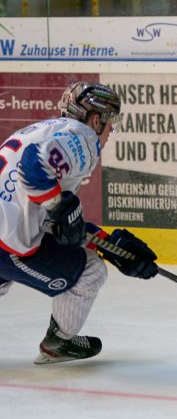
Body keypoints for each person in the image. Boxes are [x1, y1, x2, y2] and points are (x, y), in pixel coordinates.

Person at [0, 82, 160, 364]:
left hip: (6, 233)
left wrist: (107, 243)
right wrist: (59, 204)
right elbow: (33, 167)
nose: (110, 132)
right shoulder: (83, 137)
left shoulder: (43, 130)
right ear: (96, 119)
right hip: (7, 246)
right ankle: (59, 342)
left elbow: (53, 220)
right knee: (91, 272)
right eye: (111, 123)